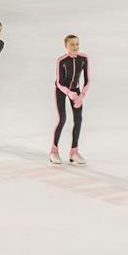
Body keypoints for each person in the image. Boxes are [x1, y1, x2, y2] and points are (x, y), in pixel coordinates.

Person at [49, 34, 88, 166]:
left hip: (76, 91)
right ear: (66, 46)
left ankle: (74, 152)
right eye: (72, 44)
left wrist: (81, 95)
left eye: (77, 44)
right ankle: (54, 151)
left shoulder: (84, 58)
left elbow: (88, 80)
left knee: (78, 119)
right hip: (62, 90)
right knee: (62, 119)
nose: (75, 47)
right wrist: (69, 93)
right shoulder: (61, 60)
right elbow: (59, 82)